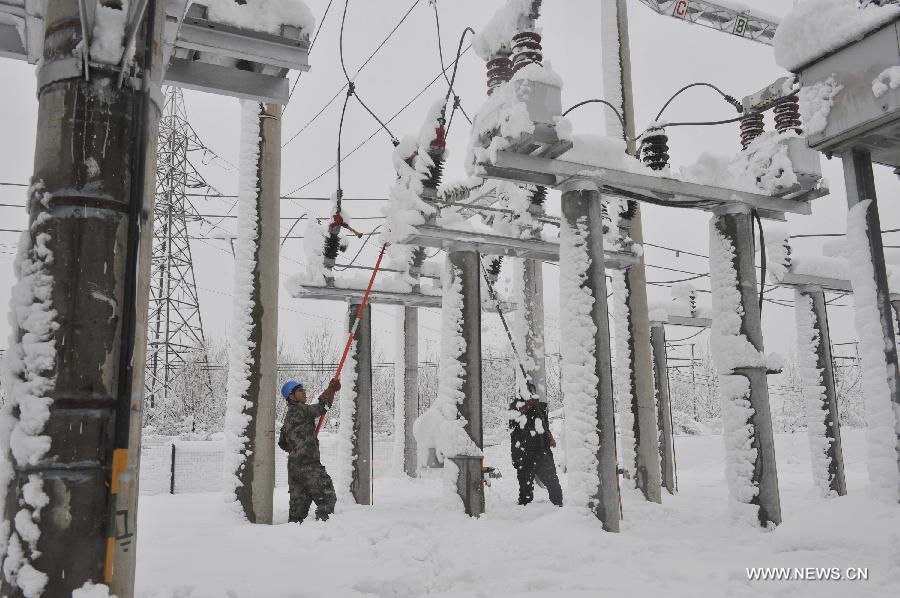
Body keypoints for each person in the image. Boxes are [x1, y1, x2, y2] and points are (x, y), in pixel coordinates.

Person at [278, 378, 341, 523]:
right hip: (309, 466)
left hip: (294, 469)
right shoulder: (301, 409)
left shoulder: (287, 418)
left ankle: (295, 536)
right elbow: (322, 407)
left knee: (298, 511)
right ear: (291, 396)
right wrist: (331, 389)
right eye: (300, 390)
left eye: (304, 389)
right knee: (327, 497)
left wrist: (300, 444)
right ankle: (323, 529)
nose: (304, 392)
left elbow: (282, 443)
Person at [509, 381, 563, 507]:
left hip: (541, 450)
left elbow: (544, 424)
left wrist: (549, 436)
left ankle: (558, 505)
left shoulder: (540, 406)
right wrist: (527, 406)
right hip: (523, 452)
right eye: (526, 390)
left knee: (551, 479)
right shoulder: (515, 405)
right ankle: (525, 510)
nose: (530, 392)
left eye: (531, 390)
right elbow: (513, 423)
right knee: (525, 485)